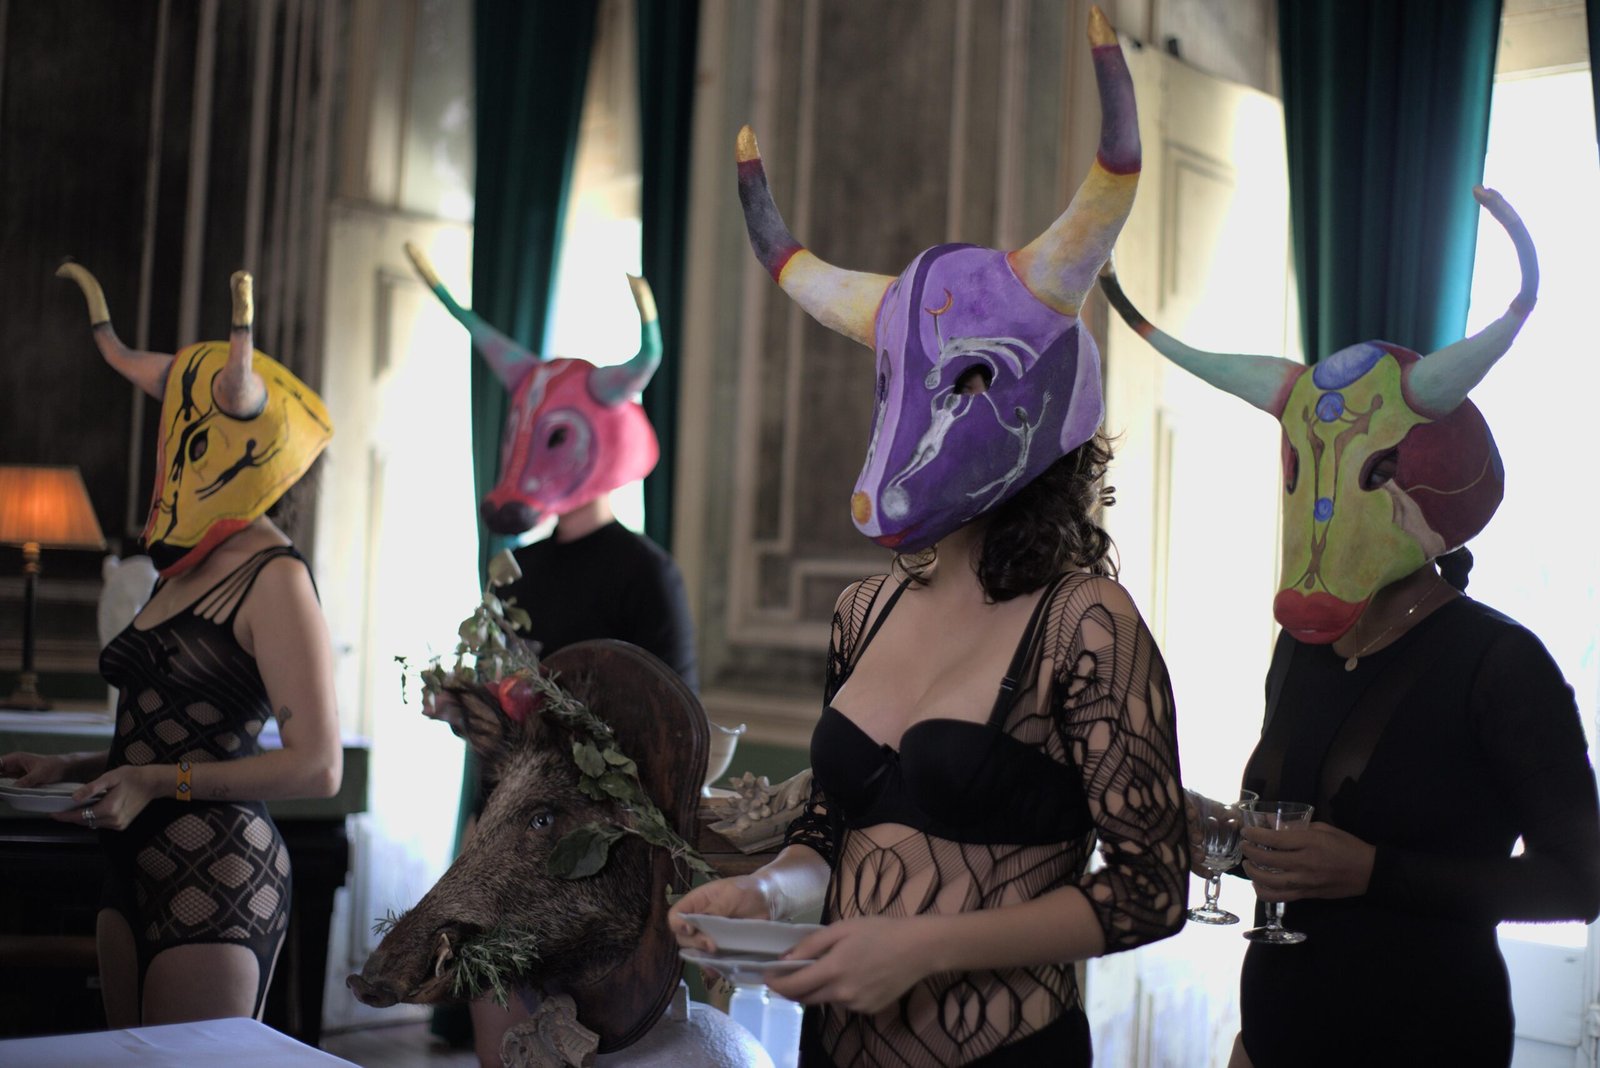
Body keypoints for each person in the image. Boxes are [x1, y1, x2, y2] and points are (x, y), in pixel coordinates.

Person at [673, 10, 1189, 1065]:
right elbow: (832, 834)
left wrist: (922, 949)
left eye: (962, 383)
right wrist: (765, 893)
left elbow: (1151, 890)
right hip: (835, 1047)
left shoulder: (1085, 625)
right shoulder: (861, 612)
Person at [1101, 188, 1600, 1067]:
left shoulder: (1500, 663)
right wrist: (1219, 836)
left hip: (1429, 1041)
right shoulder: (1305, 647)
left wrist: (1377, 872)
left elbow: (1577, 882)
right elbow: (1299, 845)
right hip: (1277, 1040)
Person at [1, 264, 342, 1027]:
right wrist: (73, 767)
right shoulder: (181, 567)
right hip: (128, 871)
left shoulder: (276, 577)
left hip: (215, 874)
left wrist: (155, 782)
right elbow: (169, 735)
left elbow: (319, 767)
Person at [404, 245, 696, 1066]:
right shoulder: (517, 568)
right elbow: (504, 704)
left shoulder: (647, 573)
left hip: (594, 855)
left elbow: (674, 723)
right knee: (500, 1042)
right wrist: (464, 707)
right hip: (499, 833)